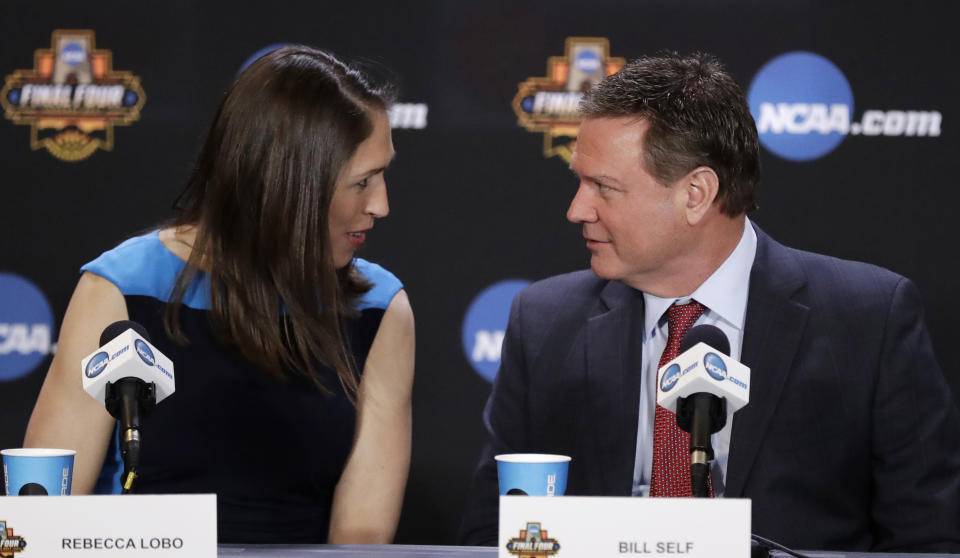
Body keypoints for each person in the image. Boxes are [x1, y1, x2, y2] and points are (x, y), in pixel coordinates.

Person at [459, 52, 960, 552]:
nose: (576, 209)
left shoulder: (868, 320)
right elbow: (492, 534)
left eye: (604, 188)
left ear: (696, 193)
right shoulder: (545, 322)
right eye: (579, 182)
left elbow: (926, 538)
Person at [24, 46, 415, 545]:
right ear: (285, 183)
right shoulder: (123, 288)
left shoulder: (380, 309)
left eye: (382, 176)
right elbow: (40, 523)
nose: (381, 204)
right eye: (361, 182)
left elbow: (360, 542)